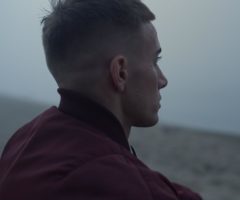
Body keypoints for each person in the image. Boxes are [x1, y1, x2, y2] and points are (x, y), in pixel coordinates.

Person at [0, 0, 202, 199]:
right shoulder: (113, 183)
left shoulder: (23, 140)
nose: (163, 80)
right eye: (154, 61)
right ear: (120, 72)